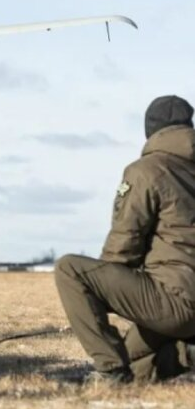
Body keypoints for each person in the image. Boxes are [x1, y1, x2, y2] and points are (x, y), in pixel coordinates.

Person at [55, 95, 195, 383]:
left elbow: (123, 247)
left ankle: (110, 373)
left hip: (174, 304)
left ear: (151, 131)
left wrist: (104, 296)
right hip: (180, 309)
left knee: (69, 269)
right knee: (135, 364)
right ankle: (187, 355)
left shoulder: (145, 171)